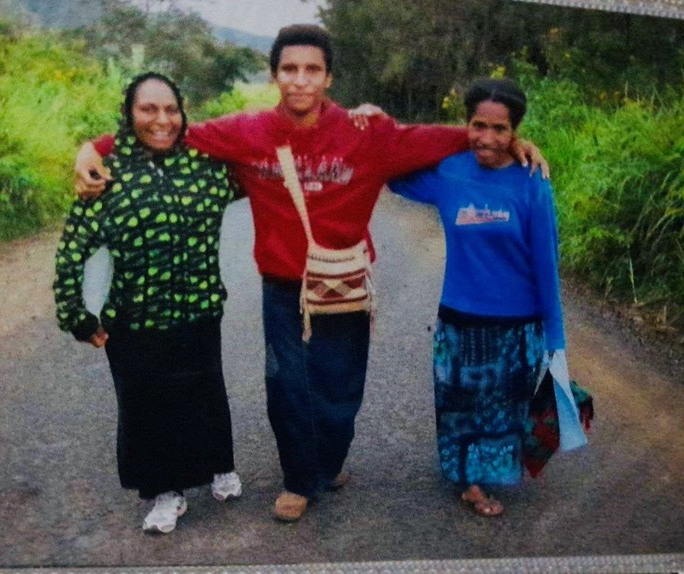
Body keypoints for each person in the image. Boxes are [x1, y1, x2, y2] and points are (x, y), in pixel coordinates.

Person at [74, 25, 546, 522]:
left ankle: (328, 461)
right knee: (288, 389)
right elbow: (165, 131)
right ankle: (300, 480)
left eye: (312, 70)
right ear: (274, 74)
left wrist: (515, 141)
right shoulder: (247, 131)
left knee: (341, 389)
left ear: (328, 78)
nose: (300, 80)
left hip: (345, 287)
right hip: (283, 289)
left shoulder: (369, 134)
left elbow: (459, 137)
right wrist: (93, 147)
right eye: (289, 69)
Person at [53, 72, 243, 534]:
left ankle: (219, 464)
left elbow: (266, 169)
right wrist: (76, 316)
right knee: (148, 408)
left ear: (183, 114)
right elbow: (72, 250)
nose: (162, 119)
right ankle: (166, 491)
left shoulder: (207, 165)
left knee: (205, 393)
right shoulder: (106, 174)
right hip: (134, 322)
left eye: (171, 109)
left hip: (199, 311)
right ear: (130, 114)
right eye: (148, 109)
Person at [387, 78, 565, 517]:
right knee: (458, 408)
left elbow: (547, 264)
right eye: (476, 125)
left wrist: (555, 339)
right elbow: (389, 170)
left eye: (500, 129)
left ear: (516, 133)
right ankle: (468, 479)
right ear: (465, 124)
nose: (487, 139)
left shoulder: (532, 184)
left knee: (504, 411)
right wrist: (381, 124)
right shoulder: (449, 172)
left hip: (516, 324)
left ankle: (488, 473)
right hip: (459, 319)